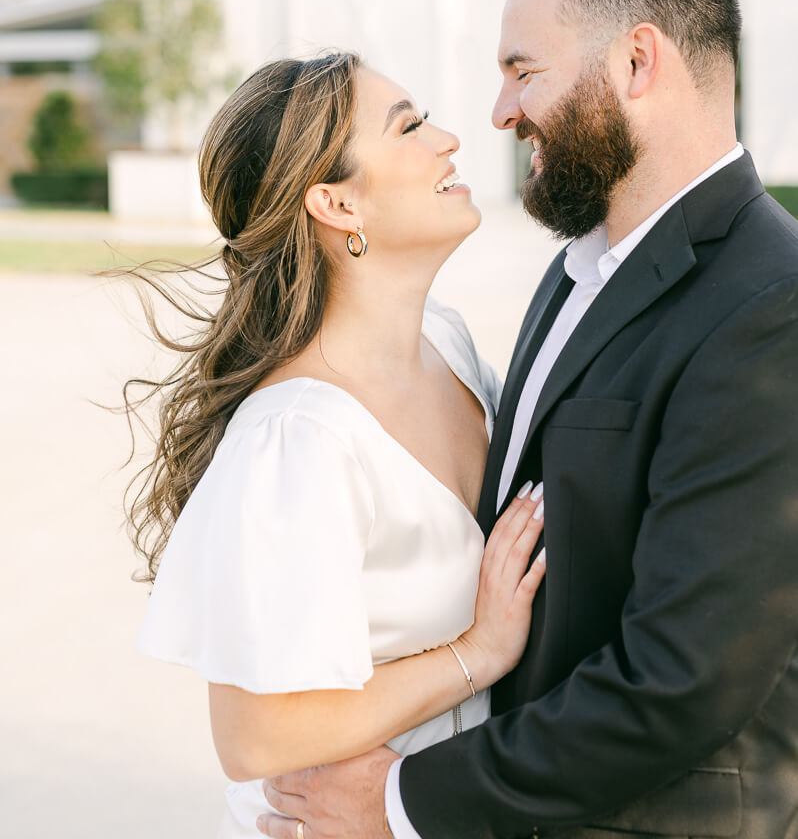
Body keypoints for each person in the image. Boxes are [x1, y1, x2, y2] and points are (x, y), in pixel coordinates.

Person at [259, 0, 798, 839]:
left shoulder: (770, 305)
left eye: (524, 71)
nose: (502, 112)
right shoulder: (579, 266)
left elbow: (680, 682)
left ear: (638, 63)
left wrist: (399, 802)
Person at [131, 52, 549, 838]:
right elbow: (256, 735)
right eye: (411, 126)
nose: (450, 139)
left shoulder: (449, 346)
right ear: (336, 203)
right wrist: (478, 652)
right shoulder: (298, 440)